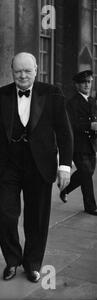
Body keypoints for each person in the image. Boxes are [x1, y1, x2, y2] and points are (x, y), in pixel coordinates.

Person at [0, 52, 73, 282]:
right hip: (8, 166)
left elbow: (64, 132)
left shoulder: (52, 93)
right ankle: (12, 260)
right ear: (11, 71)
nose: (22, 75)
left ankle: (33, 263)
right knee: (4, 213)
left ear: (36, 69)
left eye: (27, 71)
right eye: (17, 71)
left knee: (37, 218)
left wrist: (64, 166)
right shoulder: (1, 94)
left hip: (40, 166)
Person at [60, 70, 97, 216]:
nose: (87, 85)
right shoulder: (72, 103)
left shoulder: (93, 101)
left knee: (86, 172)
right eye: (83, 82)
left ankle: (65, 189)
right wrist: (90, 126)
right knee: (86, 174)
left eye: (89, 82)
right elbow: (71, 124)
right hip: (77, 144)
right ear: (77, 85)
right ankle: (91, 207)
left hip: (91, 144)